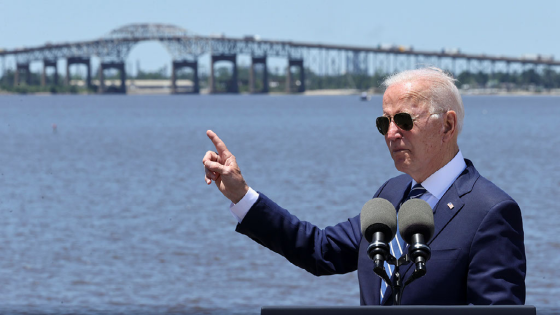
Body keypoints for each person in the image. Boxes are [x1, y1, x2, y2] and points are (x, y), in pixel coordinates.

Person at [202, 67, 526, 305]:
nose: (391, 133)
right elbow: (320, 251)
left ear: (448, 125)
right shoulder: (390, 196)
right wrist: (241, 195)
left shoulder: (491, 212)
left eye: (404, 121)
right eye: (385, 122)